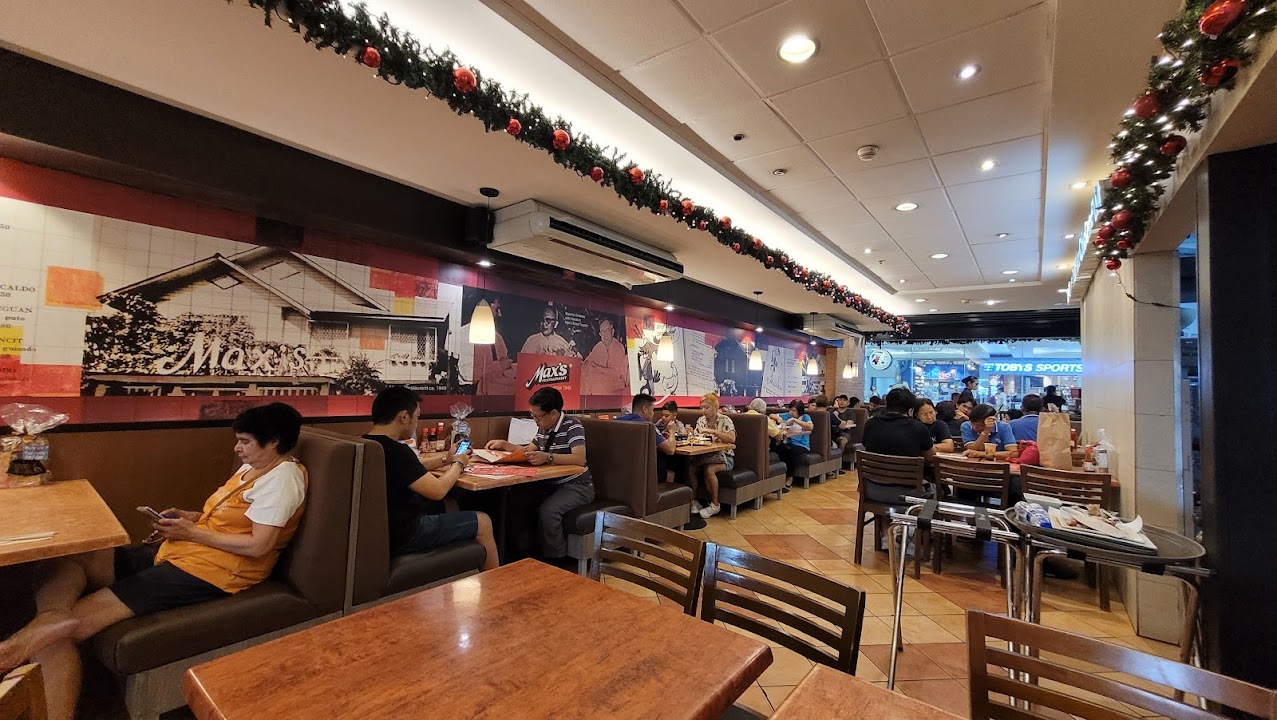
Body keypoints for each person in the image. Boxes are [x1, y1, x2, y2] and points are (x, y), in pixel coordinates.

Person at [0, 403, 307, 720]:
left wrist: (192, 533)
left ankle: (27, 645)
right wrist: (191, 519)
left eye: (244, 441)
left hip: (211, 572)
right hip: (182, 552)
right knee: (67, 560)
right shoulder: (253, 467)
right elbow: (234, 520)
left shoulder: (282, 480)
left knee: (54, 638)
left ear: (273, 441)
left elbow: (258, 545)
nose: (236, 448)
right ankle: (52, 615)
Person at [363, 387, 498, 571]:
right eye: (417, 416)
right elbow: (438, 490)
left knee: (450, 504)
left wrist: (447, 459)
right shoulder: (397, 451)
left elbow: (412, 469)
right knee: (483, 521)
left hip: (379, 530)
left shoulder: (367, 444)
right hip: (406, 533)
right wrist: (458, 464)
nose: (416, 423)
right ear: (404, 417)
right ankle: (497, 584)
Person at [484, 387, 592, 563]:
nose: (535, 421)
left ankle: (555, 561)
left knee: (549, 511)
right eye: (532, 416)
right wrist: (505, 445)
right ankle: (518, 554)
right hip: (550, 483)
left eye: (538, 417)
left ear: (553, 413)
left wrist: (548, 457)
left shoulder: (573, 426)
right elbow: (529, 450)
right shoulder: (544, 427)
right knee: (516, 498)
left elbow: (579, 459)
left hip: (577, 485)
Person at [860, 388, 934, 503]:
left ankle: (881, 515)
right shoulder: (918, 428)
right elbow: (930, 457)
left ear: (887, 405)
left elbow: (865, 446)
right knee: (936, 489)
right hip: (907, 494)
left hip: (871, 489)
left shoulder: (870, 424)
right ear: (910, 410)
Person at [689, 392, 736, 518]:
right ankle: (695, 501)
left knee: (709, 469)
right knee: (691, 468)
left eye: (706, 407)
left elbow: (732, 439)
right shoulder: (701, 421)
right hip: (705, 455)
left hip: (725, 456)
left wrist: (714, 432)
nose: (703, 411)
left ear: (715, 407)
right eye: (701, 408)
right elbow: (697, 438)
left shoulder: (725, 420)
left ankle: (715, 505)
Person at [618, 392, 676, 481]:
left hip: (617, 472)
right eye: (652, 410)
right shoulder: (648, 426)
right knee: (671, 474)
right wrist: (672, 431)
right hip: (639, 475)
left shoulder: (617, 421)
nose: (653, 414)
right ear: (645, 409)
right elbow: (670, 450)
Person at [769, 399, 814, 491]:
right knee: (778, 448)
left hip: (802, 445)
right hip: (788, 442)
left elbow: (810, 427)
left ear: (800, 411)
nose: (791, 412)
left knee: (791, 452)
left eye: (794, 410)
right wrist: (778, 419)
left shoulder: (805, 417)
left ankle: (790, 477)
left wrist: (795, 420)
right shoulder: (787, 415)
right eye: (790, 410)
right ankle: (777, 479)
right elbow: (771, 415)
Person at [582, 317, 628, 395]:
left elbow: (617, 373)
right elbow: (588, 362)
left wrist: (598, 367)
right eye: (602, 332)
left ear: (612, 332)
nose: (605, 335)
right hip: (599, 384)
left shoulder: (619, 347)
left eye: (607, 331)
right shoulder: (597, 347)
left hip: (613, 386)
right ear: (600, 334)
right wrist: (586, 365)